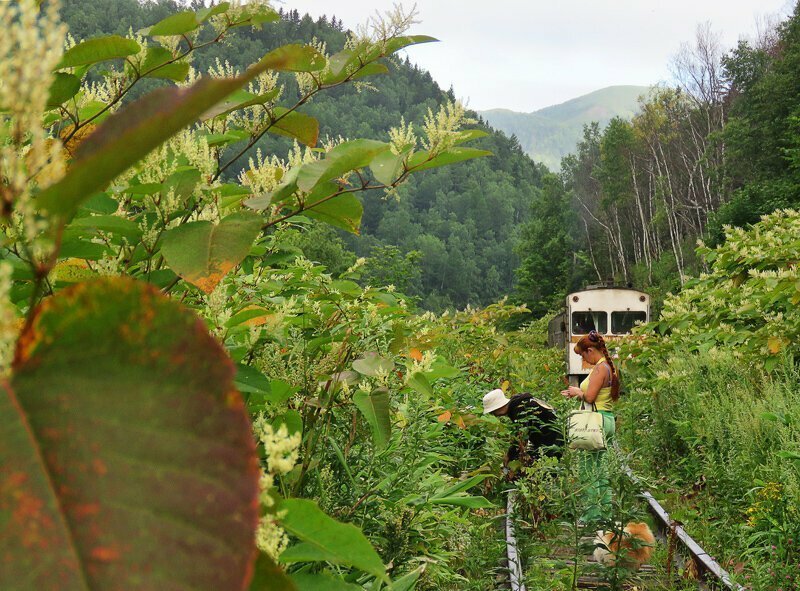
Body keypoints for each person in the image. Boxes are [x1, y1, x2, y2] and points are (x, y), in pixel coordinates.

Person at [560, 329, 620, 523]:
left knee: (588, 469)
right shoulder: (609, 367)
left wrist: (578, 392)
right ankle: (605, 513)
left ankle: (592, 515)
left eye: (583, 355)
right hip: (607, 419)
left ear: (590, 350)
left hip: (595, 423)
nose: (584, 360)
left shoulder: (600, 368)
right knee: (601, 469)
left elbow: (590, 397)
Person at [483, 389, 562, 474]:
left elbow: (521, 436)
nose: (493, 415)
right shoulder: (518, 403)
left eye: (492, 412)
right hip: (550, 433)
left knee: (549, 468)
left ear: (498, 408)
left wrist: (509, 456)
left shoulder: (519, 409)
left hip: (554, 435)